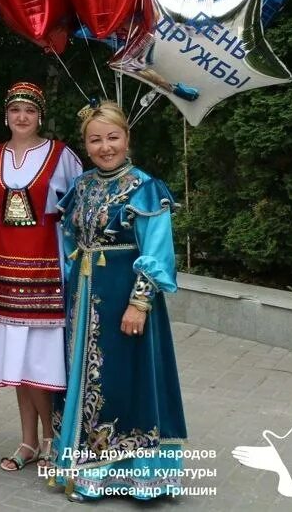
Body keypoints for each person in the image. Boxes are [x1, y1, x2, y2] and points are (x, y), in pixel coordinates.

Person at [50, 100, 186, 501]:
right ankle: (86, 472)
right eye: (95, 140)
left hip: (125, 300)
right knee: (86, 381)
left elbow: (159, 251)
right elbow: (69, 242)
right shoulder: (82, 186)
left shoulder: (147, 188)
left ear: (127, 138)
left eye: (113, 137)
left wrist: (139, 303)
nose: (105, 147)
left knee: (126, 383)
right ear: (85, 144)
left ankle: (140, 477)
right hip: (85, 301)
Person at [0, 82, 82, 471]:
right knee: (17, 363)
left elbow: (78, 212)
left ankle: (53, 439)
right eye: (16, 110)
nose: (22, 117)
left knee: (41, 363)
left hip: (45, 270)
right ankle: (28, 441)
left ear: (40, 116)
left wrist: (76, 266)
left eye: (30, 111)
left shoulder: (61, 155)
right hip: (3, 269)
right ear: (7, 115)